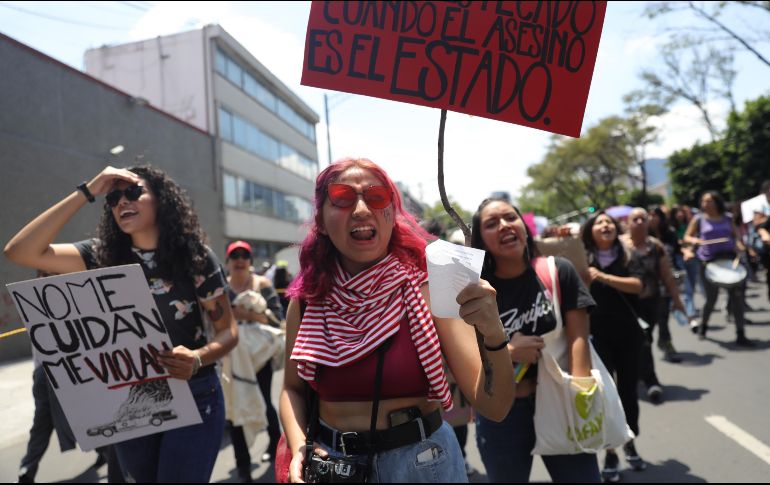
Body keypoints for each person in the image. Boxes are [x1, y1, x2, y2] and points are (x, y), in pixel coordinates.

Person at [279, 157, 515, 483]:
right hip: (333, 467)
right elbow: (292, 389)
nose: (361, 209)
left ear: (393, 214)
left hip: (423, 465)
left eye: (376, 197)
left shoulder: (431, 286)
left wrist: (493, 331)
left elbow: (495, 406)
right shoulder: (307, 301)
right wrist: (299, 447)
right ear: (320, 217)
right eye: (343, 198)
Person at [4, 165, 238, 482]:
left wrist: (197, 358)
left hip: (196, 393)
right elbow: (20, 251)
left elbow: (228, 332)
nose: (121, 202)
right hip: (132, 402)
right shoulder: (100, 256)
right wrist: (88, 190)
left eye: (132, 192)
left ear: (162, 199)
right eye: (113, 197)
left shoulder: (195, 257)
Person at [470, 198, 600, 483]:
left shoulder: (559, 270)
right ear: (481, 239)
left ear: (524, 227)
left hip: (560, 401)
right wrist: (508, 353)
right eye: (492, 224)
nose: (504, 225)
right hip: (503, 416)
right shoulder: (475, 291)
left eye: (510, 218)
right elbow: (467, 355)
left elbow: (579, 338)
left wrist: (580, 396)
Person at [580, 211, 646, 483]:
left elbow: (638, 286)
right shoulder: (582, 258)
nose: (605, 225)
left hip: (629, 335)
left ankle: (630, 440)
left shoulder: (629, 255)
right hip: (597, 337)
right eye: (599, 222)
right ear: (590, 231)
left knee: (628, 391)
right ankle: (610, 453)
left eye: (609, 222)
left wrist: (603, 277)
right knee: (605, 396)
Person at [225, 240, 284, 482]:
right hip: (232, 358)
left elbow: (276, 320)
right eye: (235, 255)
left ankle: (275, 448)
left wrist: (246, 314)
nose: (240, 260)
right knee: (235, 410)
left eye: (245, 255)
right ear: (228, 261)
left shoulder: (263, 285)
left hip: (260, 357)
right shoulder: (220, 288)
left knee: (264, 403)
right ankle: (243, 466)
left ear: (250, 261)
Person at [621, 207, 686, 404]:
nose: (640, 222)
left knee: (645, 338)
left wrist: (677, 300)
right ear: (628, 223)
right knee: (642, 340)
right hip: (628, 303)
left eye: (643, 219)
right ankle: (651, 381)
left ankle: (642, 372)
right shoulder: (620, 246)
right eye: (635, 219)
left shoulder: (656, 246)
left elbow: (666, 275)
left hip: (652, 301)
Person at [683, 191, 753, 347]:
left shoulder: (728, 218)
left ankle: (740, 333)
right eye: (703, 201)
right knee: (711, 298)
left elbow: (736, 238)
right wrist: (696, 240)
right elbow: (686, 237)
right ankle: (704, 326)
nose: (705, 204)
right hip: (709, 262)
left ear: (717, 202)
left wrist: (741, 247)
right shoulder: (699, 219)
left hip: (728, 260)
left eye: (709, 201)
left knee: (736, 297)